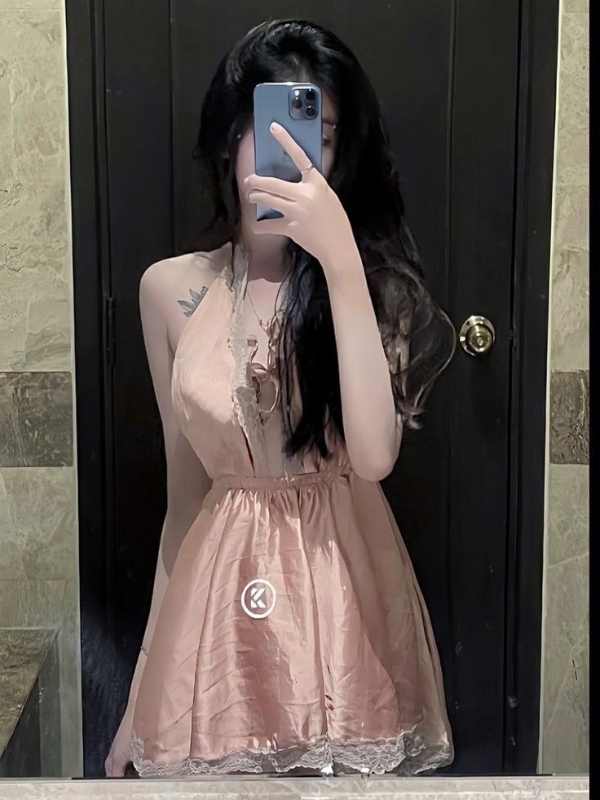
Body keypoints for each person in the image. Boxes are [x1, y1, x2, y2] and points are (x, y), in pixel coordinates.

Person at [105, 19, 455, 779]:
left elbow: (374, 456)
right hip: (219, 608)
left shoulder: (371, 287)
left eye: (320, 139)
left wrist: (339, 260)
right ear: (231, 138)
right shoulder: (170, 291)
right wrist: (140, 691)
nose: (298, 157)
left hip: (342, 597)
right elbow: (182, 500)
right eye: (278, 132)